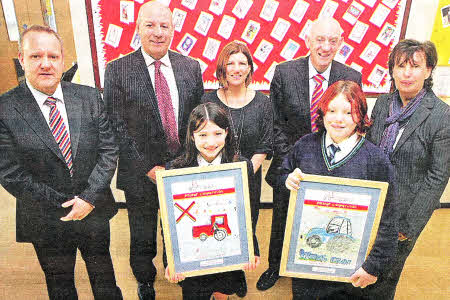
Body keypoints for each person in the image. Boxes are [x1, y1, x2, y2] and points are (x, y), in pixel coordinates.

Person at [0, 25, 122, 300]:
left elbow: (108, 149)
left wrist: (88, 198)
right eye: (36, 56)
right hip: (45, 218)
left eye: (53, 57)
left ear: (63, 60)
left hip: (93, 209)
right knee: (61, 287)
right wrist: (65, 204)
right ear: (22, 58)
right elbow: (10, 172)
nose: (45, 64)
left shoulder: (89, 97)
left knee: (105, 281)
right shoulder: (5, 108)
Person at [103, 2, 204, 299]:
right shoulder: (118, 69)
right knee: (143, 233)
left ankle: (179, 269)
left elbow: (197, 120)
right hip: (140, 173)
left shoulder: (190, 67)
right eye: (150, 25)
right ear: (138, 28)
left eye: (164, 26)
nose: (158, 32)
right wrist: (147, 166)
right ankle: (145, 279)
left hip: (182, 169)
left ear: (173, 30)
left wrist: (189, 161)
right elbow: (115, 125)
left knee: (181, 227)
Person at [258, 17, 362, 291]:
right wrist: (293, 161)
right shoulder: (284, 72)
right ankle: (274, 267)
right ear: (308, 40)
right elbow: (276, 124)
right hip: (291, 164)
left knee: (323, 220)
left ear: (340, 43)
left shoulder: (351, 76)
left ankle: (316, 264)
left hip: (333, 165)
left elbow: (353, 123)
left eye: (332, 41)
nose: (325, 46)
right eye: (320, 39)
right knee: (282, 218)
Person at [281, 80, 398, 299]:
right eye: (332, 110)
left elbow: (389, 221)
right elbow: (281, 174)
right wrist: (286, 180)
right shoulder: (304, 146)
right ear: (322, 111)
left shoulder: (375, 160)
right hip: (307, 269)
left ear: (360, 115)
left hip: (351, 272)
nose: (338, 119)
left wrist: (373, 266)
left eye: (348, 112)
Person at [366, 39, 449, 299]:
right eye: (400, 65)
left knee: (384, 279)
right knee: (360, 268)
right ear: (392, 70)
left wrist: (409, 227)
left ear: (428, 71)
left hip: (403, 214)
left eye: (415, 66)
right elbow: (368, 150)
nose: (407, 73)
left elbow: (437, 178)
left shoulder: (441, 115)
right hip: (371, 204)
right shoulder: (382, 104)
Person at [164, 102, 260, 300]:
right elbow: (167, 221)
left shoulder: (241, 165)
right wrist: (170, 261)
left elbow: (250, 211)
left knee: (223, 288)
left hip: (227, 248)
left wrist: (252, 248)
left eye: (217, 134)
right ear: (192, 136)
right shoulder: (175, 170)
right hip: (192, 254)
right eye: (202, 135)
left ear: (226, 133)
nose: (210, 142)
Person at [202, 41, 273, 231]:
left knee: (246, 232)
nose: (236, 69)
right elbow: (200, 141)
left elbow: (264, 145)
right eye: (230, 63)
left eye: (242, 64)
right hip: (214, 181)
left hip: (249, 181)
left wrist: (243, 175)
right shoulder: (208, 100)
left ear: (249, 68)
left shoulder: (262, 103)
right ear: (222, 68)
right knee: (215, 230)